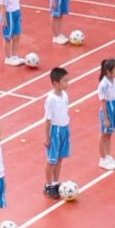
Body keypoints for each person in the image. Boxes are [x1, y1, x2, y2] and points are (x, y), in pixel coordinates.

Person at [43, 67, 72, 198]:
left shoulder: (65, 95)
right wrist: (47, 137)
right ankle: (48, 185)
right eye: (65, 81)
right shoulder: (51, 99)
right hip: (55, 131)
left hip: (65, 128)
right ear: (55, 83)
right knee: (51, 160)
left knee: (60, 158)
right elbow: (48, 119)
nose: (67, 83)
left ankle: (56, 182)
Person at [97, 57, 115, 170]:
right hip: (107, 108)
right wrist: (106, 118)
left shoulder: (114, 81)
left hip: (114, 105)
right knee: (104, 135)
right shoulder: (103, 84)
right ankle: (102, 159)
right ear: (108, 71)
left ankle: (108, 156)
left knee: (109, 134)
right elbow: (103, 102)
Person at [0, 0, 24, 65]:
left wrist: (20, 14)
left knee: (17, 36)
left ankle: (14, 56)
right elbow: (2, 6)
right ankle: (8, 58)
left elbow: (18, 2)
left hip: (16, 13)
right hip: (8, 15)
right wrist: (4, 19)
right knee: (7, 38)